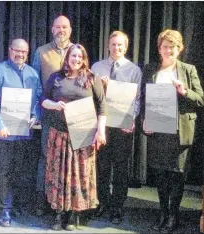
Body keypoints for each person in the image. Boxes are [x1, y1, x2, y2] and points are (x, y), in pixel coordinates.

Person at [141, 29, 204, 233]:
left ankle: (173, 216)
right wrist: (144, 120)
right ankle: (163, 213)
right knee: (160, 174)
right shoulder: (151, 69)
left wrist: (183, 91)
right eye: (165, 46)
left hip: (180, 131)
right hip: (159, 129)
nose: (169, 50)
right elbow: (144, 98)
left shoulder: (188, 69)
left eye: (173, 46)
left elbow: (200, 98)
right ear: (159, 49)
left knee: (176, 175)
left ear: (180, 48)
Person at [42, 44, 107, 231]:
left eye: (80, 56)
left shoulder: (92, 78)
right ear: (67, 57)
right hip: (59, 134)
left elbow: (102, 106)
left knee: (78, 176)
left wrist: (101, 131)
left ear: (84, 58)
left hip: (83, 134)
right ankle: (58, 213)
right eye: (73, 56)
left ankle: (74, 214)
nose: (76, 59)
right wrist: (55, 105)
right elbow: (43, 100)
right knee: (59, 175)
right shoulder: (56, 77)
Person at [0, 38, 42, 227]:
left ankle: (14, 204)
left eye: (24, 52)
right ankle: (4, 209)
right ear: (9, 50)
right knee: (3, 172)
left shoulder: (33, 74)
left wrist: (35, 115)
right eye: (16, 50)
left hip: (24, 133)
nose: (20, 54)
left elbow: (38, 98)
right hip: (2, 133)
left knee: (20, 171)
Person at [91, 31, 142, 224]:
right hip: (101, 127)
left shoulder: (134, 70)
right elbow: (91, 96)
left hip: (122, 128)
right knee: (101, 167)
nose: (116, 48)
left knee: (121, 169)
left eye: (120, 45)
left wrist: (131, 120)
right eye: (113, 44)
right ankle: (102, 202)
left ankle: (117, 208)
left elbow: (137, 100)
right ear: (108, 46)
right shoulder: (97, 67)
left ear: (126, 47)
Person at [31, 14, 73, 216]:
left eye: (65, 27)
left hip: (73, 118)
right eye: (58, 27)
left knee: (68, 161)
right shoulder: (41, 52)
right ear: (52, 29)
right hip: (48, 116)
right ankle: (42, 201)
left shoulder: (77, 52)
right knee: (46, 157)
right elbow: (35, 85)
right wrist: (37, 113)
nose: (61, 31)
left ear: (70, 30)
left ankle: (64, 203)